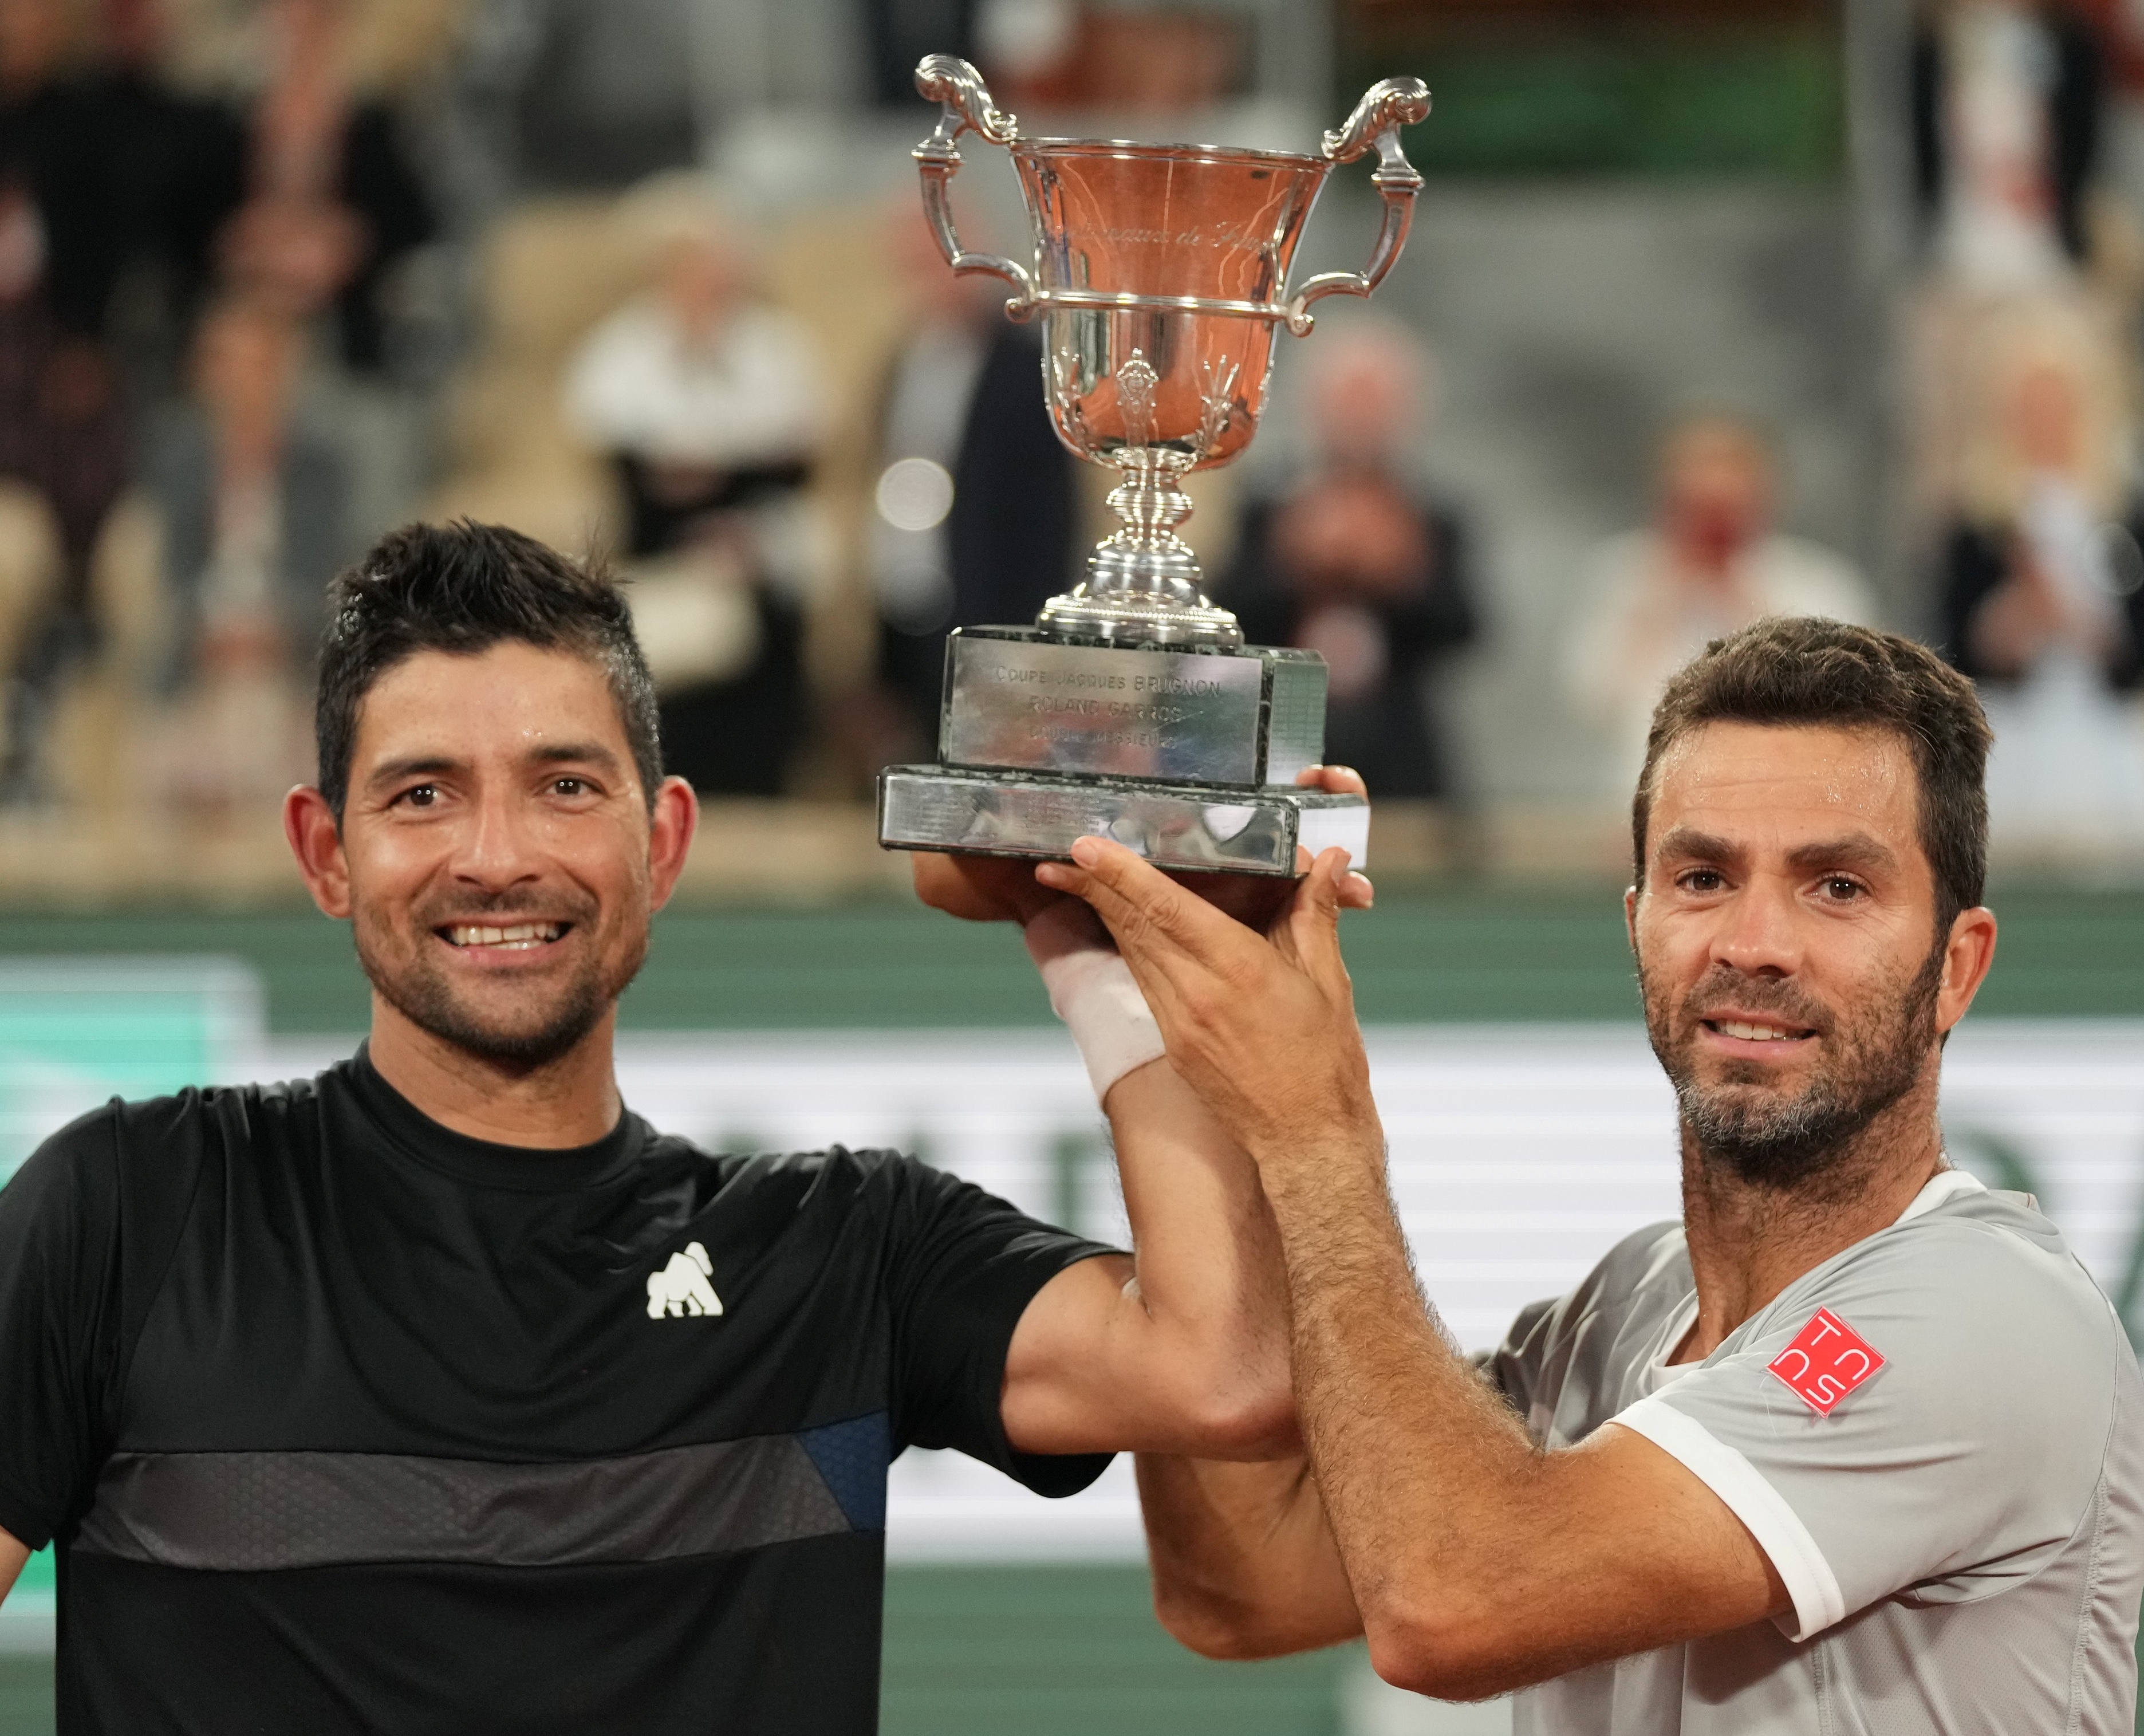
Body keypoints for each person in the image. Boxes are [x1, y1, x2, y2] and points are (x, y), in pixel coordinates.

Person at [0, 518, 1319, 1731]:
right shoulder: (128, 1209)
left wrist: (1112, 968)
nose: (498, 855)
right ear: (324, 854)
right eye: (421, 795)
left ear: (665, 840)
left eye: (565, 786)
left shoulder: (842, 1249)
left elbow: (1218, 1371)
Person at [1038, 617, 2144, 1731]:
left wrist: (1319, 1134)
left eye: (1838, 887)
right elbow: (1244, 1587)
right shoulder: (1627, 1305)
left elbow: (1449, 1603)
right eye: (1704, 876)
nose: (1754, 942)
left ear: (1957, 967)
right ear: (1639, 925)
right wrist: (1138, 1007)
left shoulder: (1988, 1316)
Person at [562, 179, 829, 796]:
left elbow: (795, 461)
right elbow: (629, 471)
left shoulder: (777, 349)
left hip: (756, 550)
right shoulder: (620, 353)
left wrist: (729, 509)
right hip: (663, 555)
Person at [1215, 322, 1479, 802]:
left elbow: (1463, 625)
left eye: (1375, 403)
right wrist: (1296, 562)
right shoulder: (1270, 508)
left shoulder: (1430, 517)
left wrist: (1400, 576)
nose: (1361, 419)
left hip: (1399, 749)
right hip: (1278, 740)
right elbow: (1229, 613)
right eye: (1349, 402)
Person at [1566, 416, 1876, 788]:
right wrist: (1658, 603)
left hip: (1785, 789)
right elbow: (1590, 697)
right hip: (1643, 787)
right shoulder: (1626, 575)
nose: (1711, 525)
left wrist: (1739, 598)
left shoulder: (1816, 582)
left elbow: (1843, 698)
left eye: (1726, 508)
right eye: (1697, 505)